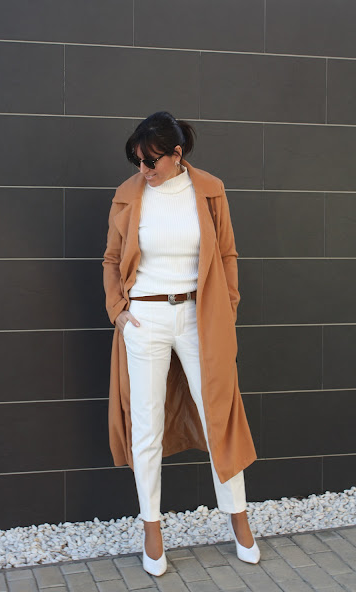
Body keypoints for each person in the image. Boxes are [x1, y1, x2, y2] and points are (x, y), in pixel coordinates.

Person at [102, 111, 260, 577]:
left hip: (198, 316)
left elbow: (227, 253)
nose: (144, 169)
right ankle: (151, 527)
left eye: (152, 161)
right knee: (146, 424)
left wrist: (228, 307)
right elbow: (111, 258)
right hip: (145, 318)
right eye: (137, 160)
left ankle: (239, 519)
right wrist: (119, 311)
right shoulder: (128, 195)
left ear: (177, 154)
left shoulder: (209, 190)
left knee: (219, 417)